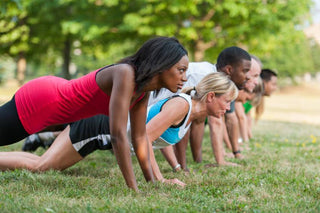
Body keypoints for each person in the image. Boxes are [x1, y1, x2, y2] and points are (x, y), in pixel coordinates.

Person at [0, 36, 189, 191]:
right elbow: (118, 136)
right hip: (42, 102)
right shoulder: (126, 74)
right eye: (181, 70)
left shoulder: (142, 92)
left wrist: (153, 183)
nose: (185, 77)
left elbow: (140, 138)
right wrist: (134, 190)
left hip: (57, 111)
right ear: (162, 65)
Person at [0, 72, 238, 188]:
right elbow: (145, 137)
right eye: (227, 101)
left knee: (42, 163)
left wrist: (175, 168)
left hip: (101, 126)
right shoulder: (181, 105)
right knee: (42, 167)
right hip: (99, 126)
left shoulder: (190, 112)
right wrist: (160, 180)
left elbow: (156, 139)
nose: (229, 108)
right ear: (210, 97)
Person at [172, 46, 253, 170]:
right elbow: (215, 123)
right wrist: (221, 161)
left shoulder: (224, 84)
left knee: (198, 119)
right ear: (229, 69)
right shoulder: (205, 76)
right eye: (245, 71)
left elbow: (199, 121)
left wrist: (198, 162)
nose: (248, 76)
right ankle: (181, 165)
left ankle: (196, 159)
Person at [221, 55, 262, 159]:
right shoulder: (227, 88)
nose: (245, 102)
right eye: (254, 75)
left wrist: (236, 151)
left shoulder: (231, 90)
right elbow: (220, 122)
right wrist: (233, 150)